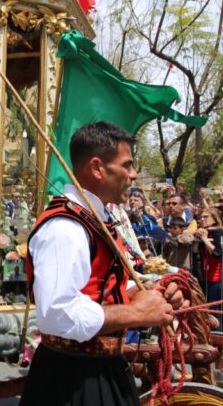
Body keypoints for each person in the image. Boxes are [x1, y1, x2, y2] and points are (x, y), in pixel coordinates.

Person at [20, 122, 185, 406]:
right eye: (127, 165)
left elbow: (105, 282)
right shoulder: (64, 228)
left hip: (102, 370)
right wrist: (136, 313)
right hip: (72, 382)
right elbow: (57, 314)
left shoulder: (96, 218)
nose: (133, 175)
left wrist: (148, 293)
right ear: (97, 167)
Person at [196, 208, 223, 312]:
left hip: (216, 276)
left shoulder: (219, 232)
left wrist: (204, 239)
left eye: (206, 217)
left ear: (215, 219)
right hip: (204, 275)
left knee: (213, 308)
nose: (202, 219)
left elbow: (217, 253)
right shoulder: (205, 232)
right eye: (201, 217)